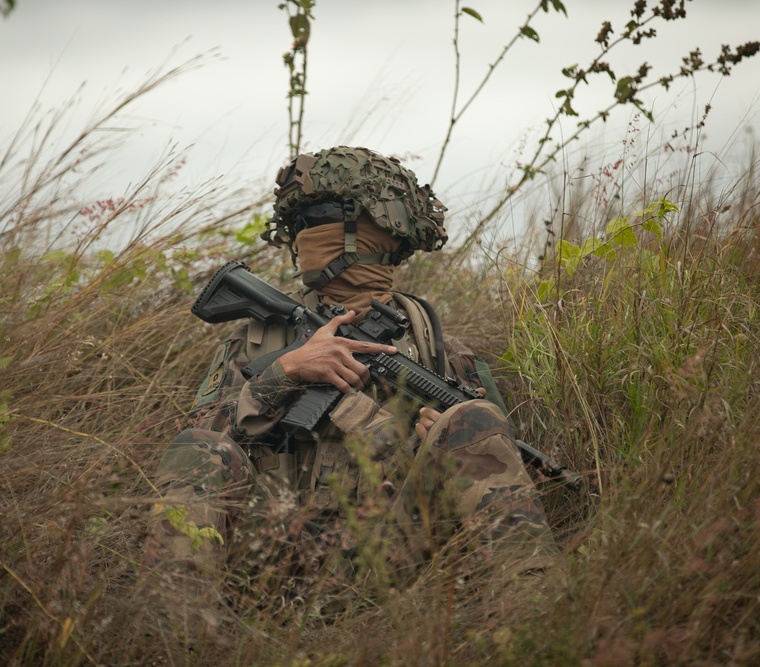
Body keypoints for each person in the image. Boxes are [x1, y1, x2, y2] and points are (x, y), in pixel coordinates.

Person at [141, 146, 559, 623]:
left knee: (473, 420)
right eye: (302, 226)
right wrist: (286, 373)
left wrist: (435, 444)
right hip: (267, 551)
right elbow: (202, 446)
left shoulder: (438, 350)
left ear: (383, 236)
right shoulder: (256, 342)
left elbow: (501, 465)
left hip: (390, 558)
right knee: (198, 448)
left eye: (323, 224)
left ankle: (538, 623)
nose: (307, 239)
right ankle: (172, 636)